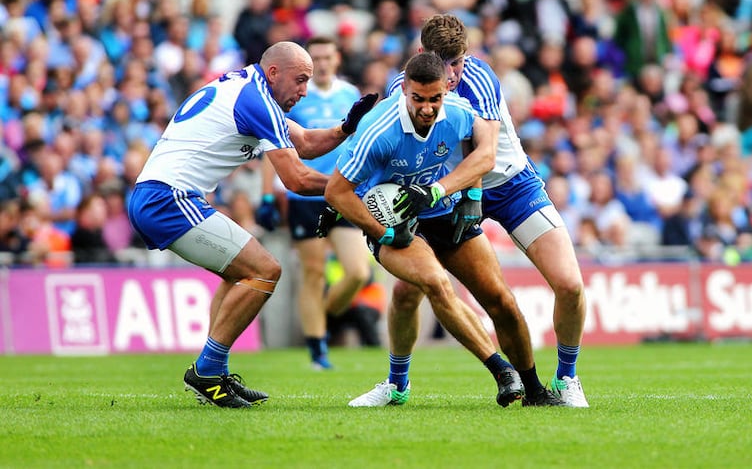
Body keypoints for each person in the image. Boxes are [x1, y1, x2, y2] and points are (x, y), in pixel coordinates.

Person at [127, 41, 378, 408]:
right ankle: (207, 371)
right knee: (265, 270)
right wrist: (357, 186)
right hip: (168, 199)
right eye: (300, 80)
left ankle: (214, 372)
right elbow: (297, 179)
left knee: (240, 274)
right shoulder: (256, 100)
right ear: (274, 72)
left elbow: (305, 142)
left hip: (161, 196)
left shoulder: (251, 90)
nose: (305, 91)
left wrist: (344, 128)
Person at [381, 14, 589, 407]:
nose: (452, 73)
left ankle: (566, 378)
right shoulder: (405, 88)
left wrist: (468, 199)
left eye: (457, 62)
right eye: (443, 63)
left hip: (509, 184)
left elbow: (484, 154)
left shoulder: (480, 78)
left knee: (570, 284)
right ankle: (397, 384)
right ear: (423, 54)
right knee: (407, 289)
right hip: (444, 194)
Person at [322, 51, 526, 408]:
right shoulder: (377, 131)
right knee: (435, 282)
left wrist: (473, 195)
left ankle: (397, 386)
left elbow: (480, 152)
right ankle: (501, 370)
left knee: (495, 297)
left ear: (446, 90)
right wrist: (382, 232)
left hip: (443, 210)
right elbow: (336, 191)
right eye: (419, 99)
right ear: (403, 89)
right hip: (394, 220)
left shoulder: (459, 112)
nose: (428, 108)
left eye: (435, 99)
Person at [259, 37, 373, 370]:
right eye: (316, 58)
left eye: (327, 56)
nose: (322, 63)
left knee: (356, 272)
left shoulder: (349, 96)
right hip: (303, 194)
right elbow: (274, 145)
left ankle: (322, 318)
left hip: (343, 190)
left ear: (337, 59)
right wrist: (268, 193)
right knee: (314, 272)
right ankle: (317, 348)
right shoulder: (297, 98)